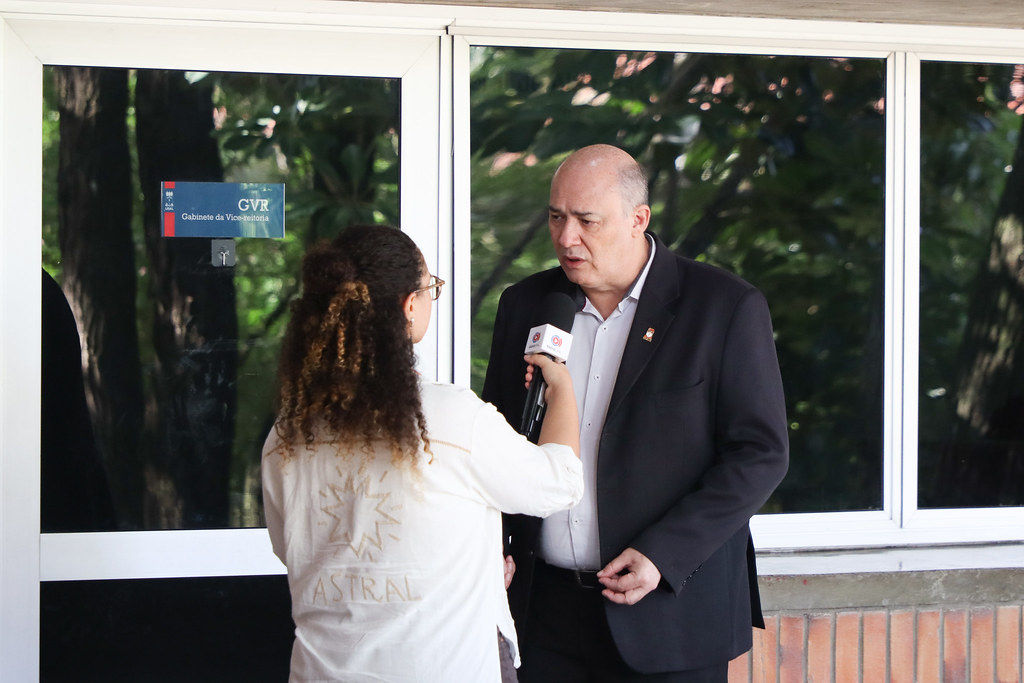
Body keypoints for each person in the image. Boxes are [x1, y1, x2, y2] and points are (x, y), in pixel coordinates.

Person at [482, 145, 789, 682]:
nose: (566, 238)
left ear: (638, 219)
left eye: (587, 221)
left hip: (668, 610)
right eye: (556, 217)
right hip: (542, 611)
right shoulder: (526, 304)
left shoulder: (721, 306)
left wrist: (663, 554)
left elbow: (760, 454)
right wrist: (490, 544)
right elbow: (497, 443)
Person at [261, 223, 583, 682]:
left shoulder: (286, 435)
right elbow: (559, 483)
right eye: (431, 287)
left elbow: (297, 549)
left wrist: (477, 563)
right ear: (409, 305)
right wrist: (562, 389)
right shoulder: (453, 418)